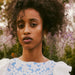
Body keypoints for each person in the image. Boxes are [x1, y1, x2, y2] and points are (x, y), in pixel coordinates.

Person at [0, 0, 72, 75]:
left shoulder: (57, 71)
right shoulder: (4, 69)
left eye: (33, 24)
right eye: (21, 25)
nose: (26, 31)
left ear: (45, 29)